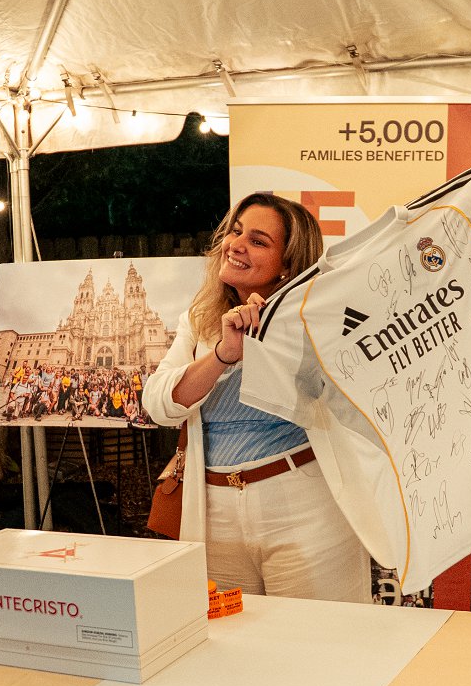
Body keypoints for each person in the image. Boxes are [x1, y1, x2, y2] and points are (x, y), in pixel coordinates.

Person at [142, 193, 371, 603]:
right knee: (232, 635)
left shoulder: (322, 321)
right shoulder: (200, 319)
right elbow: (158, 405)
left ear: (288, 264)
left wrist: (278, 333)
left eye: (258, 240)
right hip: (213, 512)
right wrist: (223, 354)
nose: (236, 245)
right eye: (236, 232)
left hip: (304, 506)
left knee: (319, 634)